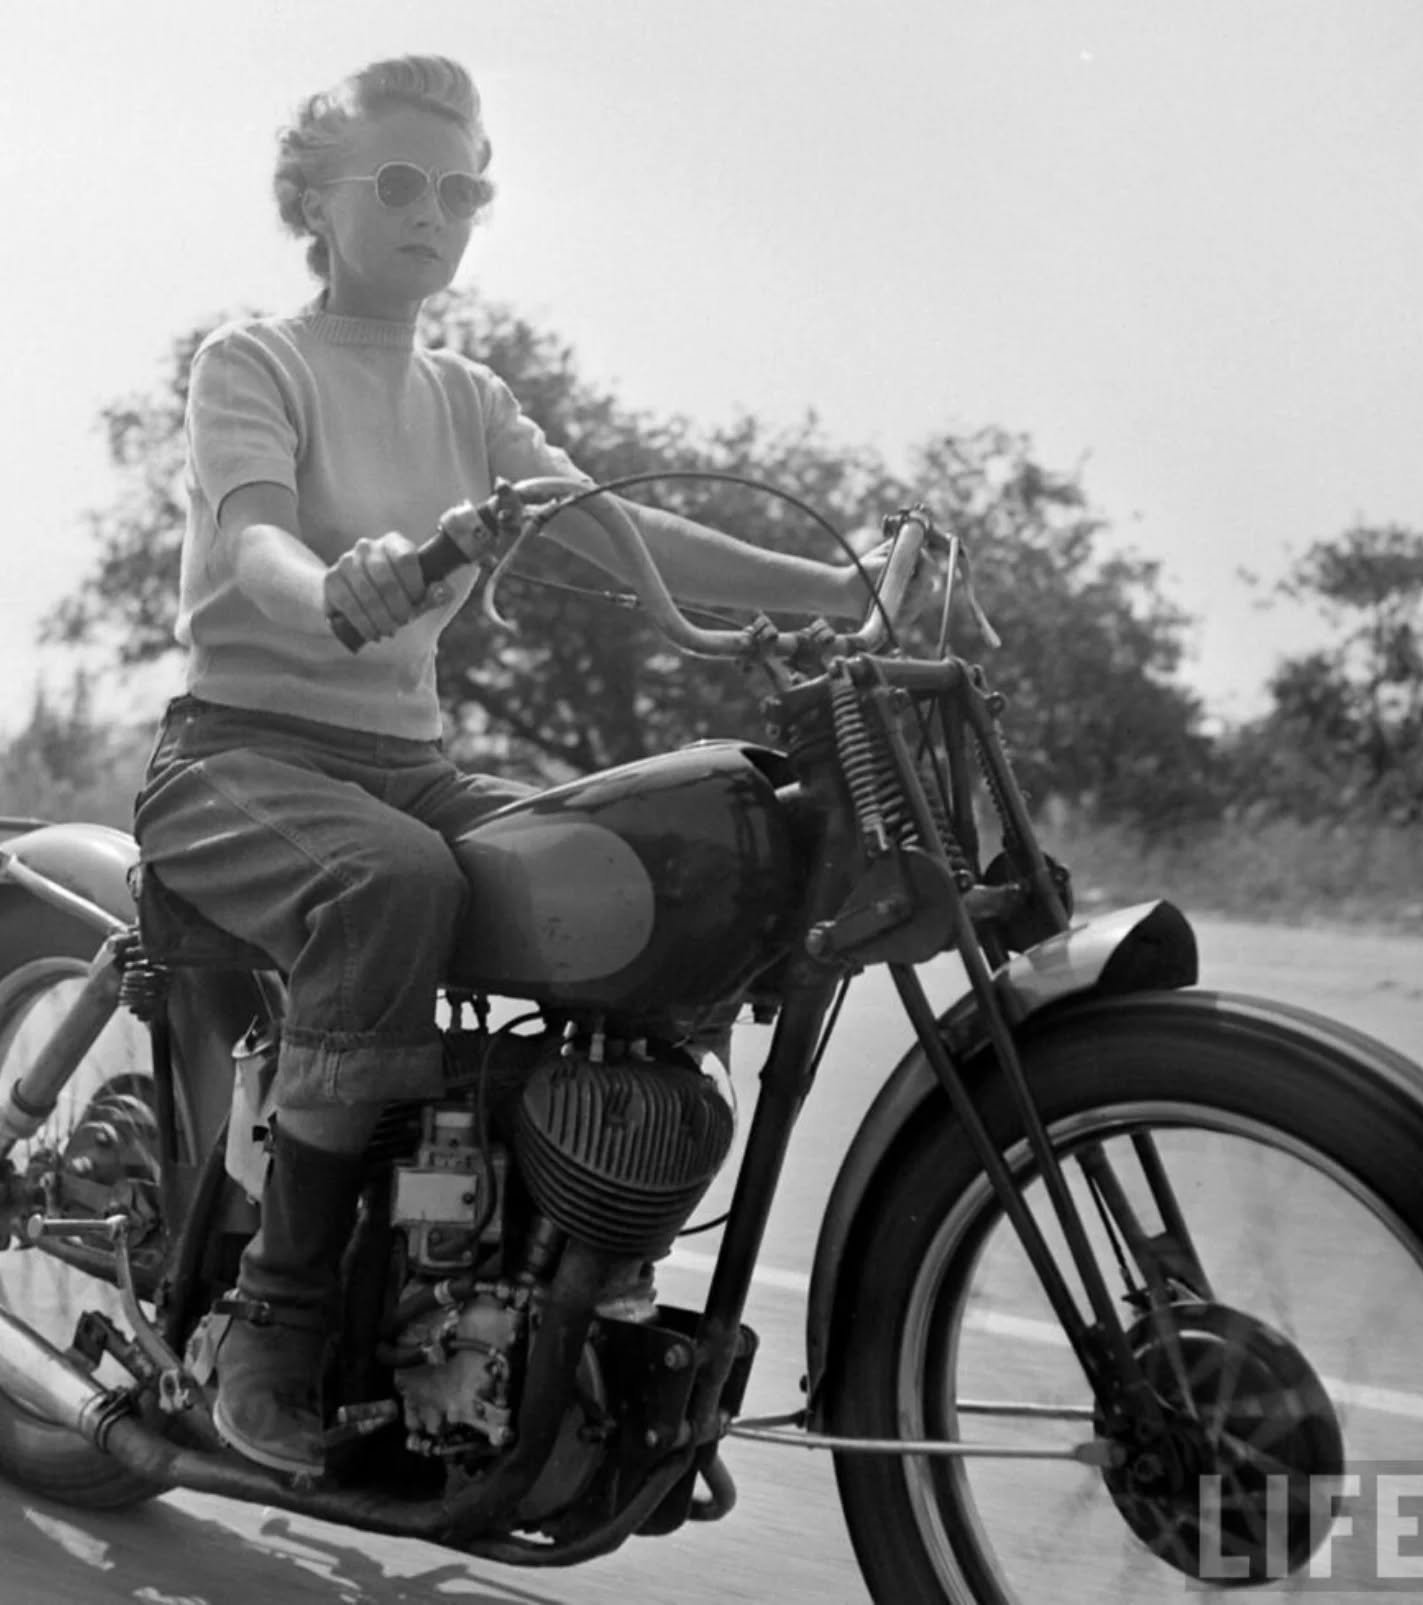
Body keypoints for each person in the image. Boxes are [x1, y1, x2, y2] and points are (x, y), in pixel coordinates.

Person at [133, 53, 903, 1480]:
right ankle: (274, 1319)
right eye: (402, 182)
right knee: (390, 884)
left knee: (661, 872)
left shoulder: (472, 396)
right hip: (238, 753)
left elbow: (624, 528)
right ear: (317, 196)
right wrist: (333, 583)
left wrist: (844, 590)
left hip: (406, 760)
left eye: (465, 187)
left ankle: (577, 1286)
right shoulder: (256, 361)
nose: (438, 212)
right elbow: (252, 535)